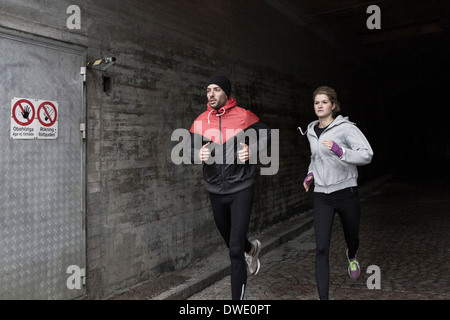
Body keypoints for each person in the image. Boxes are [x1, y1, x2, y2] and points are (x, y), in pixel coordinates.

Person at [189, 74, 271, 300]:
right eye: (208, 90)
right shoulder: (200, 121)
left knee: (234, 250)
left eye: (216, 90)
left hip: (241, 188)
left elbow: (267, 137)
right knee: (231, 241)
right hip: (215, 190)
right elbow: (188, 150)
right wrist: (198, 154)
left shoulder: (244, 116)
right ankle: (251, 250)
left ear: (226, 93)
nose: (211, 94)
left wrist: (252, 151)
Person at [303, 86, 373, 300]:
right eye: (317, 103)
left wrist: (340, 151)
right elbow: (315, 159)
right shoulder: (310, 130)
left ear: (333, 105)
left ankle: (352, 254)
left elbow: (367, 155)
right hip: (322, 196)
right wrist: (310, 175)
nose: (320, 106)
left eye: (324, 102)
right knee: (321, 249)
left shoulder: (346, 129)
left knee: (352, 237)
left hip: (346, 193)